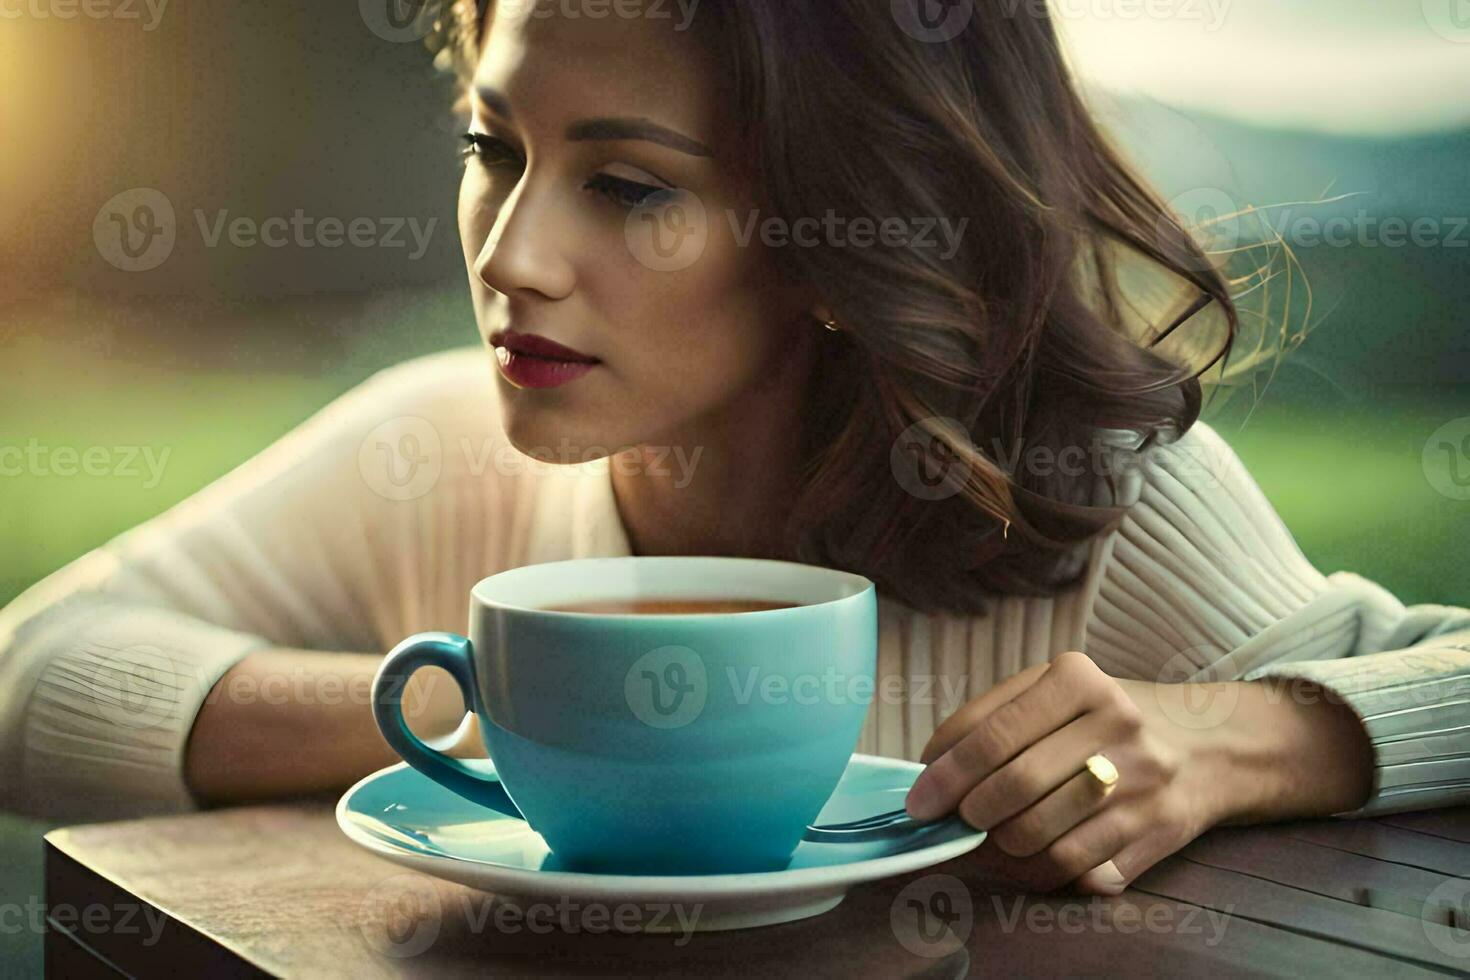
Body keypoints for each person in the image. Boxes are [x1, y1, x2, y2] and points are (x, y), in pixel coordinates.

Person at [3, 0, 1467, 898]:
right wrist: (502, 717)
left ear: (845, 228)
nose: (513, 260)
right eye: (491, 150)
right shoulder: (429, 448)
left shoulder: (1088, 497)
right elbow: (27, 673)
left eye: (627, 183)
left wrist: (1255, 737)